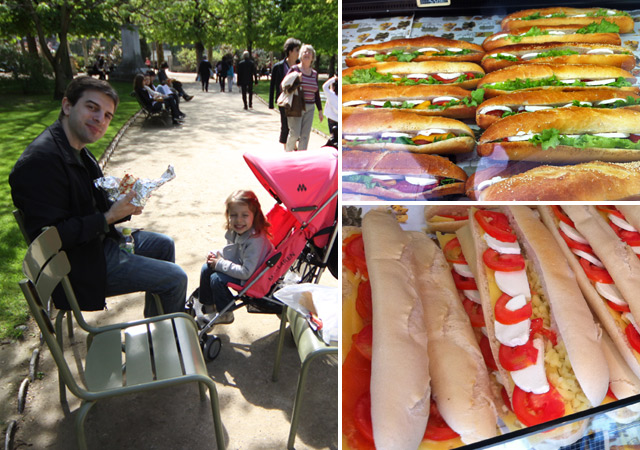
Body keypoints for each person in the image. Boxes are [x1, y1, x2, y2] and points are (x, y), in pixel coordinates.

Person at [9, 76, 188, 317]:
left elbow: (89, 203)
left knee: (163, 245)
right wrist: (109, 216)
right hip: (80, 268)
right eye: (92, 108)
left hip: (97, 245)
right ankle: (169, 343)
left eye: (107, 115)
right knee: (175, 278)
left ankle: (158, 328)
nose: (100, 119)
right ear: (67, 106)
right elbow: (53, 237)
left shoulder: (76, 148)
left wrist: (123, 205)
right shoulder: (39, 163)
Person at [194, 190, 273, 326]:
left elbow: (246, 272)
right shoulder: (237, 231)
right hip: (242, 267)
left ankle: (226, 312)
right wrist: (217, 255)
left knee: (216, 279)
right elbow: (234, 252)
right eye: (233, 215)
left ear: (254, 216)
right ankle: (208, 304)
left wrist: (220, 264)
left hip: (252, 278)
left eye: (245, 215)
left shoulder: (255, 240)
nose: (239, 220)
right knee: (207, 267)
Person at [285, 44, 323, 152]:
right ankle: (287, 156)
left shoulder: (314, 73)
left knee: (305, 136)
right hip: (296, 106)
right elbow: (283, 85)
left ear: (312, 57)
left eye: (309, 52)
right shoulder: (294, 69)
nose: (307, 54)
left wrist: (320, 110)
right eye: (305, 52)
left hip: (310, 108)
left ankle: (301, 159)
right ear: (301, 56)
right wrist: (296, 80)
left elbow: (316, 93)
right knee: (294, 134)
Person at [269, 38, 301, 150]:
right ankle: (286, 147)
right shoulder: (278, 67)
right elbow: (272, 85)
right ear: (290, 51)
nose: (299, 53)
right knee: (285, 123)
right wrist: (271, 103)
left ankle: (293, 143)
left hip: (296, 98)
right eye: (297, 50)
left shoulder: (300, 66)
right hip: (284, 99)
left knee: (296, 123)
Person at [322, 75, 338, 148]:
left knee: (332, 136)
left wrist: (333, 78)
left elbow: (325, 86)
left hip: (331, 119)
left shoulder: (331, 95)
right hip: (339, 119)